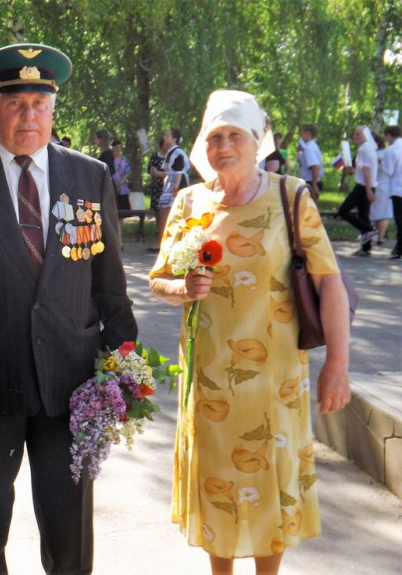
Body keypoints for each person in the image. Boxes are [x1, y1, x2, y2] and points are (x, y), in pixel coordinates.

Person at [0, 43, 138, 574]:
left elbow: (109, 278)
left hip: (71, 375)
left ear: (53, 110)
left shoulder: (88, 176)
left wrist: (124, 361)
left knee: (68, 518)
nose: (28, 116)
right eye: (15, 104)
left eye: (39, 104)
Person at [149, 90, 351, 575]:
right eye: (214, 136)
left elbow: (329, 283)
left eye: (235, 135)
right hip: (209, 378)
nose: (224, 147)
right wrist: (181, 288)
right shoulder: (189, 202)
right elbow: (159, 279)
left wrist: (337, 366)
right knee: (217, 480)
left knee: (270, 482)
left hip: (276, 381)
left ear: (257, 140)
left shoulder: (291, 196)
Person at [338, 125, 379, 257]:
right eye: (354, 134)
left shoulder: (363, 149)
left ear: (365, 135)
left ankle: (369, 230)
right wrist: (352, 171)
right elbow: (363, 170)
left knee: (343, 210)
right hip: (368, 185)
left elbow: (367, 172)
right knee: (363, 215)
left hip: (363, 187)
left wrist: (368, 190)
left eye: (358, 134)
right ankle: (366, 248)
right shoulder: (369, 148)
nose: (355, 136)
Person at [151, 128, 190, 251]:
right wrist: (157, 173)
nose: (165, 138)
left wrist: (176, 188)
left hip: (176, 185)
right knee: (163, 212)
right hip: (170, 184)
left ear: (174, 139)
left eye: (168, 136)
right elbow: (170, 172)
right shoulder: (170, 152)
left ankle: (165, 242)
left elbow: (178, 172)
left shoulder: (178, 153)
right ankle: (164, 241)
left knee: (168, 212)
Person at [369, 131, 392, 245]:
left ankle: (377, 235)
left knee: (376, 212)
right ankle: (380, 237)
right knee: (383, 213)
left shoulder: (374, 154)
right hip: (385, 185)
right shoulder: (387, 153)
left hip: (376, 184)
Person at [383, 126, 402, 259]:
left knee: (400, 221)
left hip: (398, 189)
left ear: (389, 135)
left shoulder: (391, 149)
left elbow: (389, 171)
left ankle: (399, 248)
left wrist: (381, 163)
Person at [297, 124, 323, 198]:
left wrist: (314, 185)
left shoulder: (308, 149)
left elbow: (315, 167)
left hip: (310, 182)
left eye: (302, 133)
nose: (300, 135)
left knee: (308, 204)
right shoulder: (314, 146)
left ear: (308, 134)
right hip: (312, 181)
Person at [147, 136, 167, 218]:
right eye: (165, 145)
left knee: (165, 208)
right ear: (161, 145)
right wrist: (152, 171)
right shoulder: (154, 156)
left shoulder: (170, 157)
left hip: (166, 186)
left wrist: (160, 173)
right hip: (156, 186)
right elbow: (149, 170)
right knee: (157, 208)